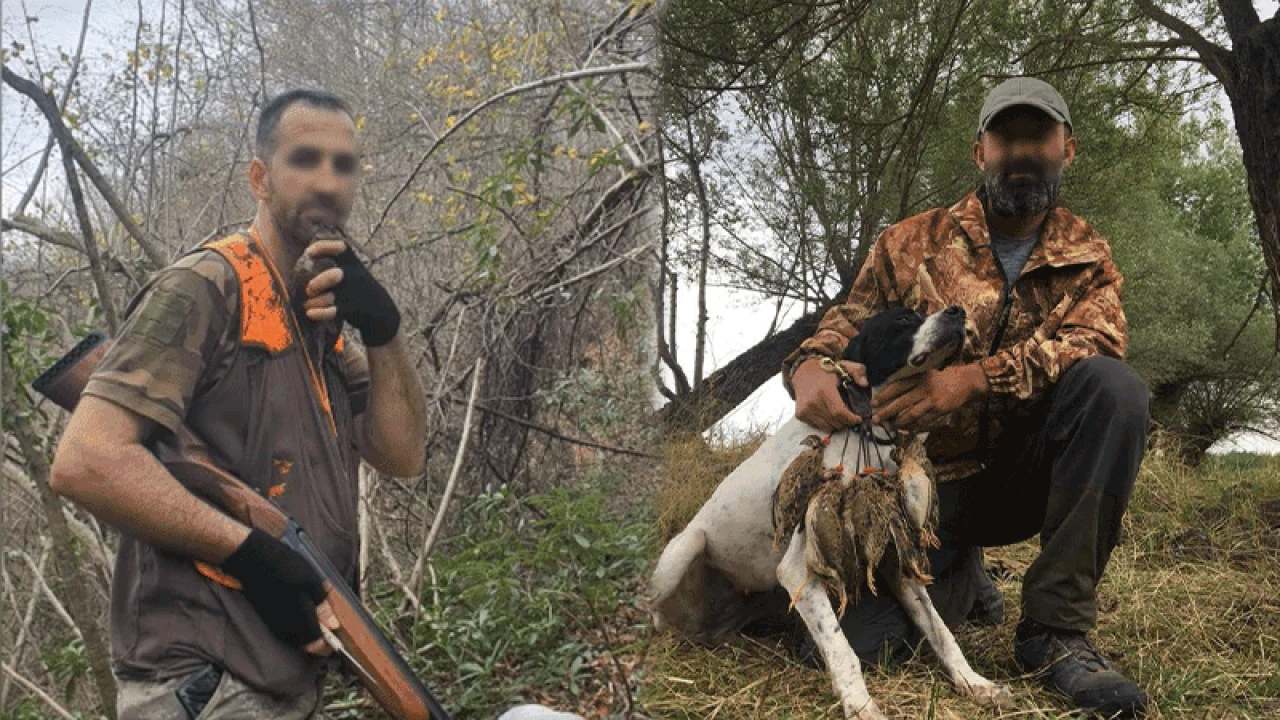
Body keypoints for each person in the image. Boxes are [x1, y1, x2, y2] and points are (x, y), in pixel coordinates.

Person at [50, 89, 428, 719]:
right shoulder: (207, 285)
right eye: (305, 159)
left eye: (344, 165)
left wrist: (384, 330)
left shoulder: (322, 321)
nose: (327, 182)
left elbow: (402, 454)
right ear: (259, 177)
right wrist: (251, 556)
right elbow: (86, 461)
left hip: (278, 683)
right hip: (203, 683)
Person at [782, 77, 1149, 718]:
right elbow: (846, 324)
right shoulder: (908, 241)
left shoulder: (1088, 257)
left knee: (1114, 391)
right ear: (980, 152)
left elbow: (1096, 342)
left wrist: (970, 380)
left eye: (1039, 137)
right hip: (916, 493)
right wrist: (809, 368)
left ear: (1069, 149)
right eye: (1007, 138)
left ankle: (1054, 632)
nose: (1023, 152)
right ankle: (959, 575)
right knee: (864, 646)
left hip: (1021, 480)